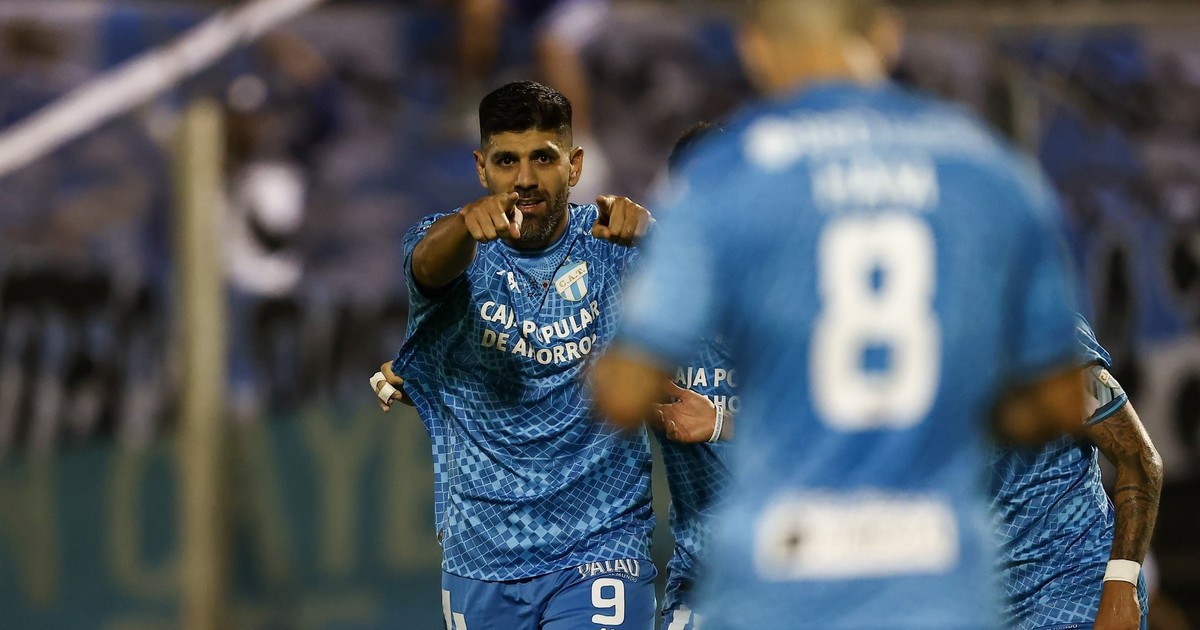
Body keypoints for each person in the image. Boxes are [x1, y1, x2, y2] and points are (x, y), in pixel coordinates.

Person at [591, 1, 1087, 627]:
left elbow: (624, 392)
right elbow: (1062, 403)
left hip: (779, 579)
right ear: (887, 35)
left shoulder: (727, 177)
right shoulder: (990, 173)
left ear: (754, 49)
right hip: (936, 578)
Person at [377, 80, 656, 629]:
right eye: (507, 161)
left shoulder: (613, 243)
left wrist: (656, 236)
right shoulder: (447, 242)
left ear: (574, 166)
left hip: (602, 542)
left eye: (543, 158)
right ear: (481, 168)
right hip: (482, 554)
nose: (524, 179)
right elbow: (428, 267)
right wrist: (464, 227)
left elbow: (727, 301)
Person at [992, 314, 1162, 630]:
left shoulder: (1051, 336)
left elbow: (1137, 458)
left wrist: (1121, 584)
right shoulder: (922, 356)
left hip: (1076, 588)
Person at [650, 123, 736, 630]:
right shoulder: (652, 303)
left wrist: (721, 421)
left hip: (804, 583)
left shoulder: (803, 296)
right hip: (703, 583)